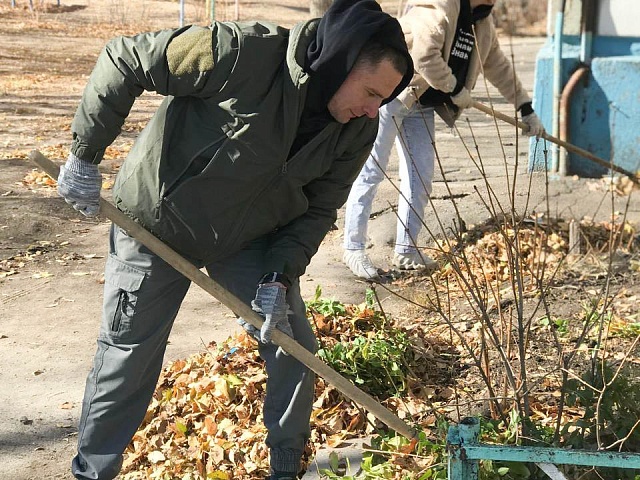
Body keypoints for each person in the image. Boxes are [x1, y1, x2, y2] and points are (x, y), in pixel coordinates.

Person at [55, 0, 413, 478]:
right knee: (130, 355)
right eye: (370, 92)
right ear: (340, 61)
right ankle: (92, 472)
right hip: (158, 221)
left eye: (383, 101)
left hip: (246, 238)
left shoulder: (355, 129)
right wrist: (84, 153)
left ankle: (285, 466)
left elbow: (320, 208)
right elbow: (126, 58)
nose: (374, 110)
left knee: (292, 344)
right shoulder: (244, 53)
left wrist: (279, 275)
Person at [342, 0, 544, 279]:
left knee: (421, 177)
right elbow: (424, 55)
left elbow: (497, 64)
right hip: (392, 95)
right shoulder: (439, 7)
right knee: (372, 170)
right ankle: (353, 248)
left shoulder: (482, 22)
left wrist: (524, 106)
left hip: (422, 104)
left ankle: (406, 250)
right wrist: (454, 87)